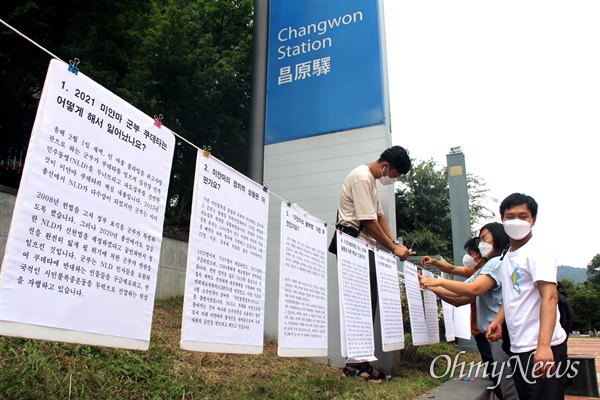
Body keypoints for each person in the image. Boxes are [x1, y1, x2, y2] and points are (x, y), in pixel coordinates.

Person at [335, 145, 411, 382]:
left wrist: (394, 243)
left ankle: (363, 361)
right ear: (386, 166)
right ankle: (353, 365)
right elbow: (367, 221)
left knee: (369, 305)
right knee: (359, 305)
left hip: (366, 247)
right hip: (353, 245)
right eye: (395, 175)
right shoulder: (361, 177)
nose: (392, 179)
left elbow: (379, 217)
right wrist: (393, 247)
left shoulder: (372, 182)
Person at [419, 223, 518, 399]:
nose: (481, 244)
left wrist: (437, 283)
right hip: (492, 337)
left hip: (499, 336)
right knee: (502, 385)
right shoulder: (486, 268)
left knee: (508, 389)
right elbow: (458, 298)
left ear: (499, 237)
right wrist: (429, 286)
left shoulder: (497, 263)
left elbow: (472, 290)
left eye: (484, 238)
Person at [487, 193, 568, 399]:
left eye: (523, 216)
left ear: (533, 220)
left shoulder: (538, 252)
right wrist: (498, 319)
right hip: (519, 346)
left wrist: (543, 346)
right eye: (510, 216)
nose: (516, 221)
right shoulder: (508, 256)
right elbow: (515, 293)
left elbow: (550, 297)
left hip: (540, 346)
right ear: (503, 219)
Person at [421, 237, 496, 388]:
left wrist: (435, 284)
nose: (467, 257)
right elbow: (452, 270)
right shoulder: (477, 273)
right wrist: (433, 271)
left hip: (491, 333)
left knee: (501, 379)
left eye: (470, 253)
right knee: (498, 378)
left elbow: (461, 298)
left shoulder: (486, 276)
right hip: (484, 332)